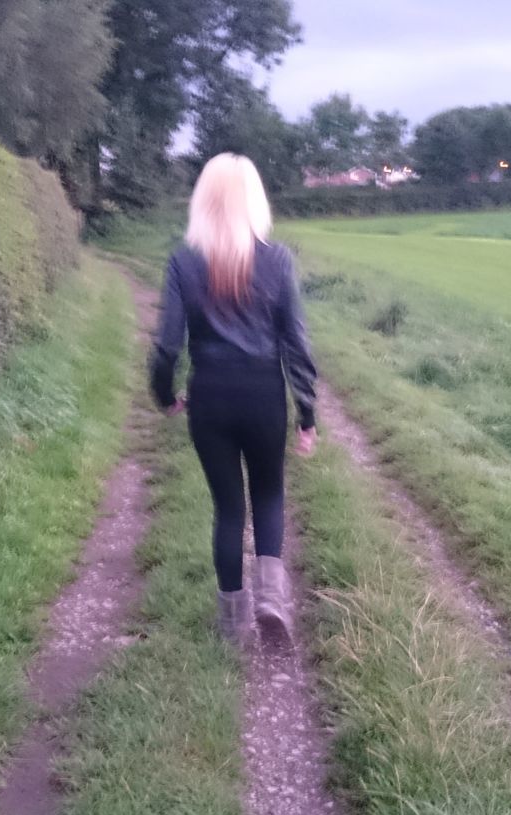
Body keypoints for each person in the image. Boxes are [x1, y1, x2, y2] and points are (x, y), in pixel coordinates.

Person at [149, 153, 319, 646]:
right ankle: (271, 599)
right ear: (255, 201)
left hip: (211, 398)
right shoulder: (277, 259)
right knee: (268, 493)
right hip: (264, 393)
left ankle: (231, 627)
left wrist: (164, 396)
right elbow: (297, 343)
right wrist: (306, 414)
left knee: (227, 508)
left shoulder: (183, 261)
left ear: (202, 202)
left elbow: (165, 346)